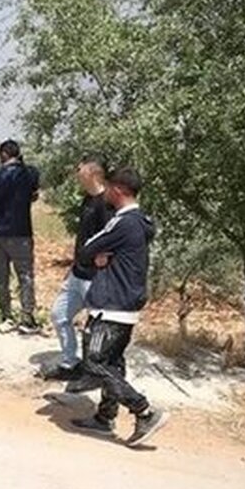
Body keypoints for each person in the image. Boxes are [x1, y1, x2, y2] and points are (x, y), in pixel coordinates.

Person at [68, 167, 169, 447]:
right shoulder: (141, 222)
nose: (106, 192)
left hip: (111, 304)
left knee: (94, 363)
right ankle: (105, 416)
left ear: (119, 190)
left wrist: (97, 256)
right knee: (113, 362)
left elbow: (86, 249)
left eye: (109, 187)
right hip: (126, 303)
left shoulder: (123, 222)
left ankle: (144, 411)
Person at [40, 154, 114, 381]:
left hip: (95, 278)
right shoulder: (87, 200)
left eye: (80, 168)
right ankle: (70, 363)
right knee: (59, 315)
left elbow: (112, 239)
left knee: (96, 329)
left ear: (92, 172)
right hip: (77, 274)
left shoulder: (107, 203)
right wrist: (73, 265)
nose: (76, 172)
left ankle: (95, 372)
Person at [0, 139, 41, 334]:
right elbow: (34, 195)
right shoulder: (30, 173)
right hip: (21, 232)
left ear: (3, 154)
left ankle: (6, 317)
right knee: (25, 276)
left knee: (1, 277)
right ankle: (27, 317)